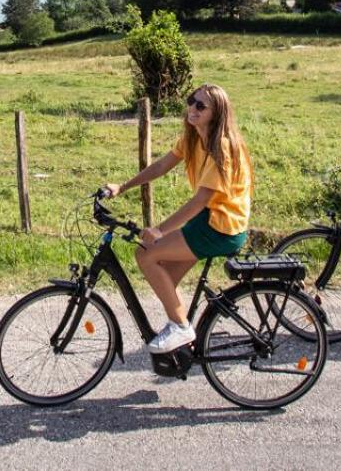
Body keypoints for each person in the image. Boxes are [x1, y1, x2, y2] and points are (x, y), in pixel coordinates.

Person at [103, 83, 253, 353]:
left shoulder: (222, 146)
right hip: (210, 220)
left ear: (216, 113)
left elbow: (200, 201)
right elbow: (161, 166)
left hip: (221, 226)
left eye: (200, 106)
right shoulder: (194, 138)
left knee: (146, 254)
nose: (192, 108)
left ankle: (181, 328)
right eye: (190, 100)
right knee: (166, 282)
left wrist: (159, 231)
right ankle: (182, 336)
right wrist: (122, 187)